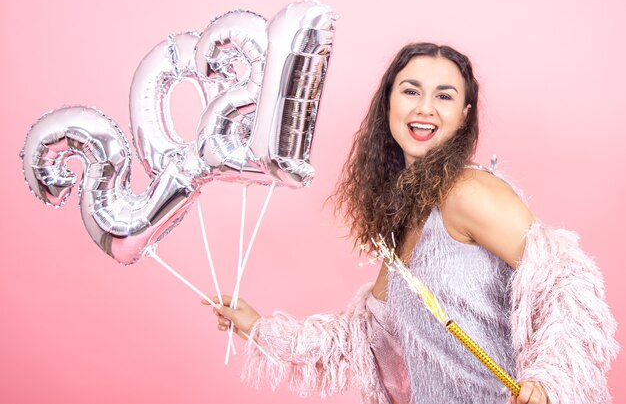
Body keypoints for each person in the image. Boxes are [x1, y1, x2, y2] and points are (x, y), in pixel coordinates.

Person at [203, 43, 619, 404]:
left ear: (464, 114)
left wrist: (547, 381)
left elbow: (568, 282)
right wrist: (258, 328)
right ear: (389, 103)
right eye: (411, 91)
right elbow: (364, 338)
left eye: (444, 96)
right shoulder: (409, 216)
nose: (424, 108)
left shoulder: (468, 191)